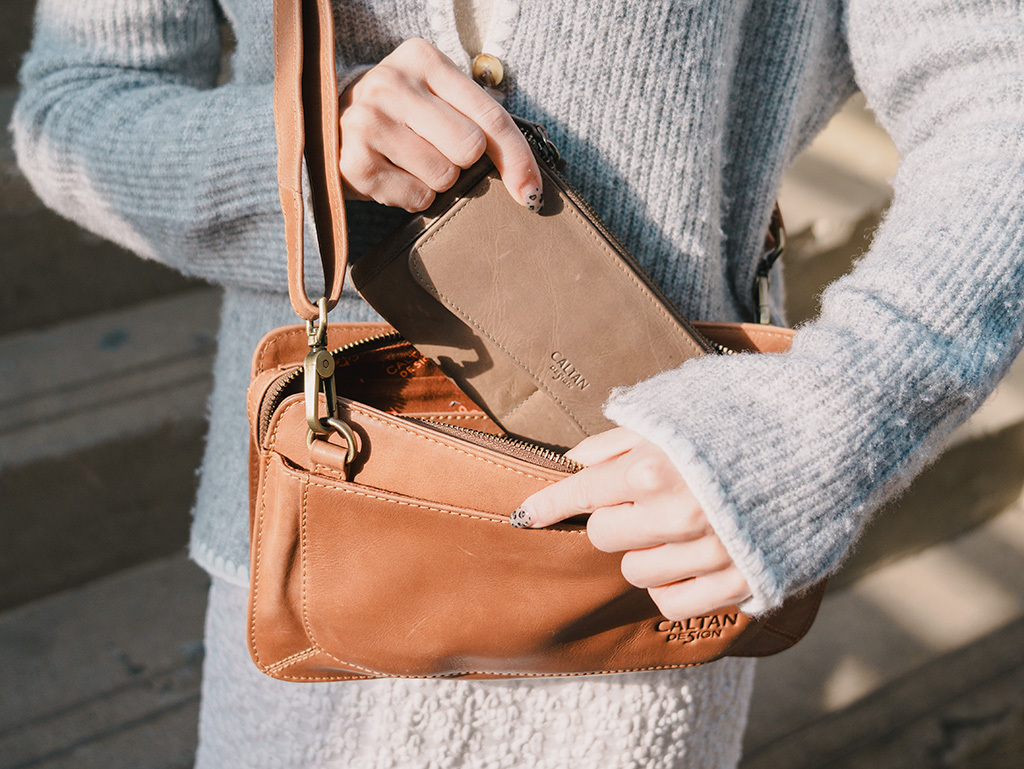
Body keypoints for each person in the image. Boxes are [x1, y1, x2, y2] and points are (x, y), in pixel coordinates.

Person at [13, 0, 1024, 767]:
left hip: (652, 562)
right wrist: (301, 153)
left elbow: (1000, 83)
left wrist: (832, 415)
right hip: (330, 546)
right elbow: (78, 101)